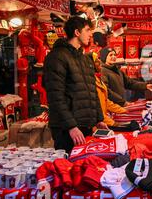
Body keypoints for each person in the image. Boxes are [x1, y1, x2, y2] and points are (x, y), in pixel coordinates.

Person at [43, 16, 107, 153]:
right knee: (68, 168)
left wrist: (99, 119)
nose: (91, 34)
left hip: (85, 126)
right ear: (77, 33)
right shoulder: (57, 57)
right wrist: (71, 126)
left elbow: (92, 92)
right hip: (66, 129)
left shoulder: (85, 59)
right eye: (88, 30)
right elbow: (55, 96)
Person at [87, 52, 127, 129]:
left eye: (98, 59)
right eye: (96, 60)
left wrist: (123, 110)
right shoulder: (90, 81)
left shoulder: (98, 79)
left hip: (104, 121)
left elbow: (106, 101)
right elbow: (97, 108)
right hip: (99, 124)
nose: (99, 61)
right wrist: (113, 123)